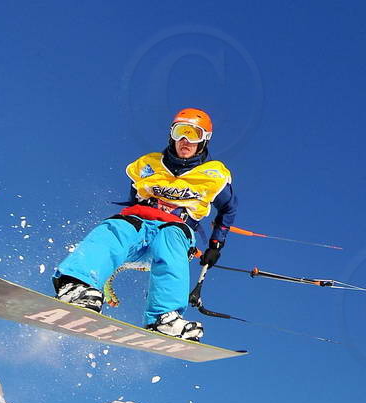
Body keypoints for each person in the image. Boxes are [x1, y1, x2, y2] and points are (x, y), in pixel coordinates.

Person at [52, 108, 237, 342]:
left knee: (170, 235)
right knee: (118, 227)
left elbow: (229, 208)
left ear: (204, 141)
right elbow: (133, 201)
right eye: (181, 132)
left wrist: (215, 246)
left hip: (176, 232)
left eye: (194, 134)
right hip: (141, 228)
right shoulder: (147, 165)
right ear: (171, 134)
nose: (185, 141)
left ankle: (164, 318)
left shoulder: (214, 174)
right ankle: (77, 285)